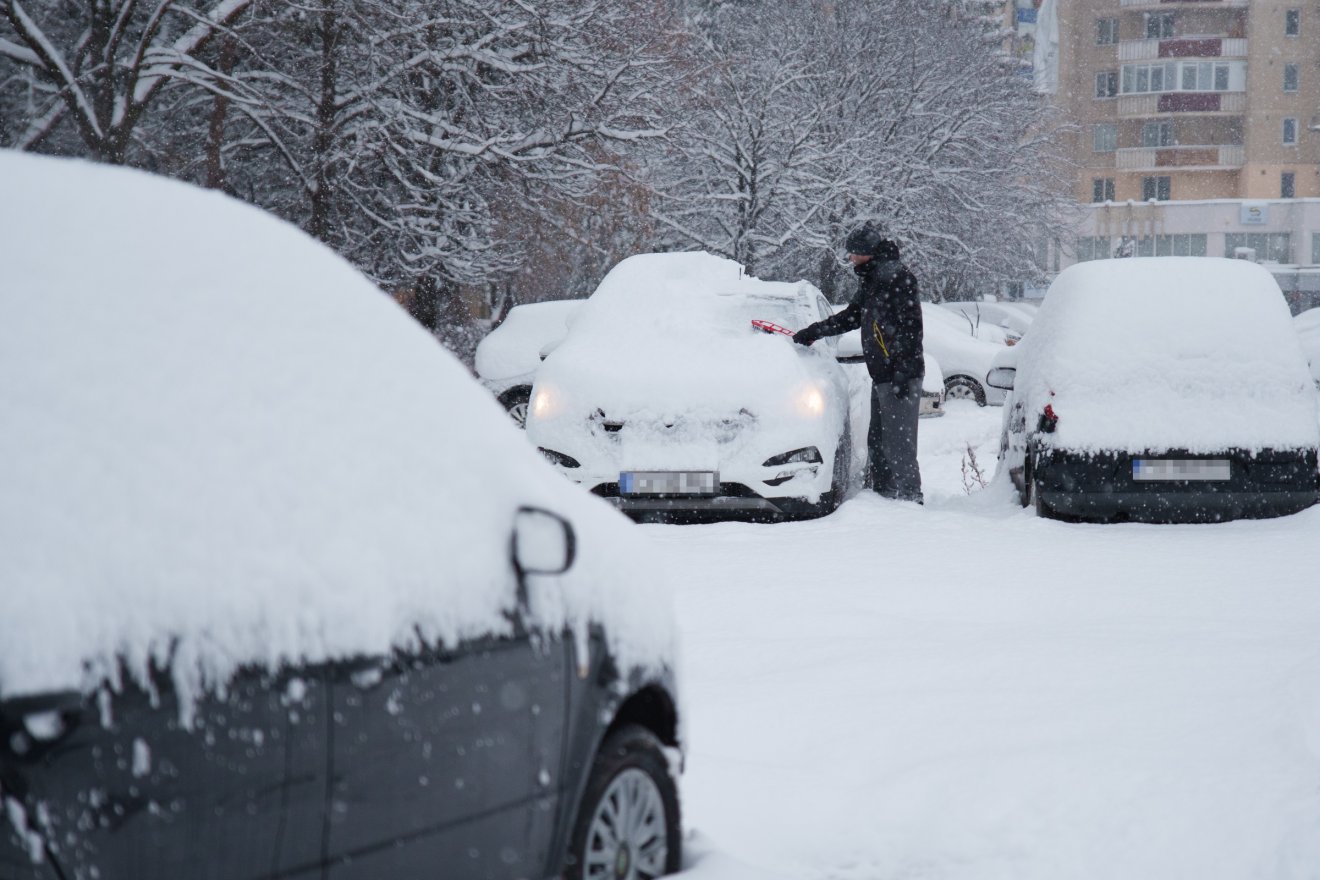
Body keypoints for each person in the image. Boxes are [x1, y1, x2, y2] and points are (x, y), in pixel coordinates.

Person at [792, 224, 924, 503]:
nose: (851, 258)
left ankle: (910, 498)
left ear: (868, 253)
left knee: (898, 442)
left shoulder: (896, 278)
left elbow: (911, 328)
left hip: (899, 373)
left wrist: (902, 370)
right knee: (878, 439)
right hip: (884, 373)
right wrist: (814, 331)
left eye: (854, 253)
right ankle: (883, 494)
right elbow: (852, 316)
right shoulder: (874, 279)